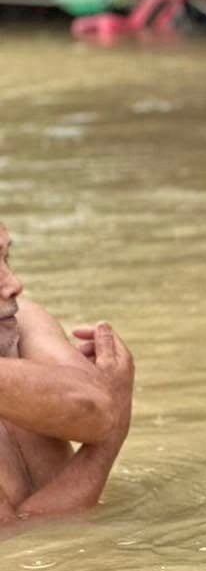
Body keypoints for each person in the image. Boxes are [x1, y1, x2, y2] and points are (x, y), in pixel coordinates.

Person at [0, 224, 135, 523]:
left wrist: (114, 405)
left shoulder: (23, 320)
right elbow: (28, 535)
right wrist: (109, 442)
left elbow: (97, 410)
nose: (14, 284)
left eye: (6, 258)